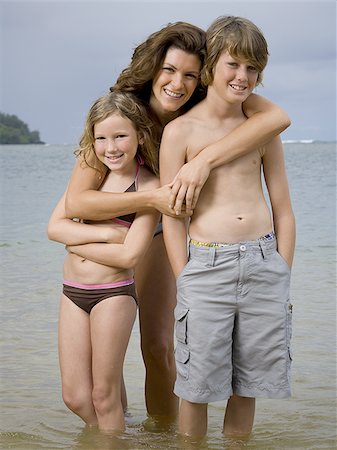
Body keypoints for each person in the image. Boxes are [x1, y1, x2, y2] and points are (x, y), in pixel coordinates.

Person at [64, 21, 291, 426]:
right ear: (152, 69)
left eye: (189, 74)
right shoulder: (122, 110)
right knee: (93, 385)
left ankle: (162, 433)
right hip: (131, 223)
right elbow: (77, 200)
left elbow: (276, 119)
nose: (177, 83)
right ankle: (120, 423)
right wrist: (151, 198)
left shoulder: (209, 106)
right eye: (169, 71)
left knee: (159, 344)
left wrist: (203, 161)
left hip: (166, 234)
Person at [160, 16, 296, 439]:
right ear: (211, 65)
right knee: (196, 387)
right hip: (206, 266)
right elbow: (172, 218)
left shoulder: (261, 129)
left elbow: (283, 208)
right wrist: (186, 277)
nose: (244, 77)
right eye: (234, 64)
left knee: (248, 386)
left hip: (262, 263)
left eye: (253, 68)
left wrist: (281, 269)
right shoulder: (180, 131)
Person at [47, 91, 160, 432]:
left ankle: (114, 437)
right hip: (72, 292)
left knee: (103, 395)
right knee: (76, 397)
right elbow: (54, 228)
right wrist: (109, 235)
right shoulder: (91, 171)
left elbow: (130, 255)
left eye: (120, 136)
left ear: (140, 135)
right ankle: (121, 436)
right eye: (101, 138)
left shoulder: (149, 185)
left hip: (113, 294)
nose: (111, 147)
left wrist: (77, 244)